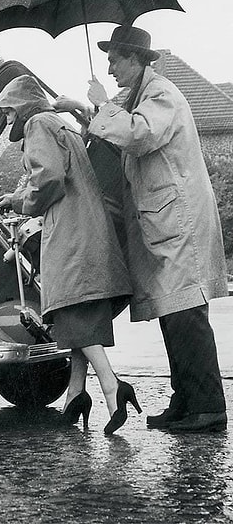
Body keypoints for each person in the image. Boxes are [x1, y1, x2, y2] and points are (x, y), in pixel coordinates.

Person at [54, 25, 228, 433]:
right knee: (174, 312)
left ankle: (207, 407)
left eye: (115, 58)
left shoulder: (161, 93)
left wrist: (100, 104)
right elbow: (120, 141)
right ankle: (186, 401)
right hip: (166, 221)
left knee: (186, 313)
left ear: (136, 59)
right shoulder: (139, 97)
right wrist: (86, 110)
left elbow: (139, 133)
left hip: (178, 221)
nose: (110, 66)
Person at [0, 74, 138, 435]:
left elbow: (50, 178)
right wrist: (14, 197)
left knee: (70, 311)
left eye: (9, 112)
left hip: (69, 230)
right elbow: (60, 172)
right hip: (88, 226)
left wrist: (23, 204)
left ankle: (112, 386)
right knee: (77, 312)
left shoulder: (38, 123)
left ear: (22, 107)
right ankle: (76, 395)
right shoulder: (62, 124)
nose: (7, 120)